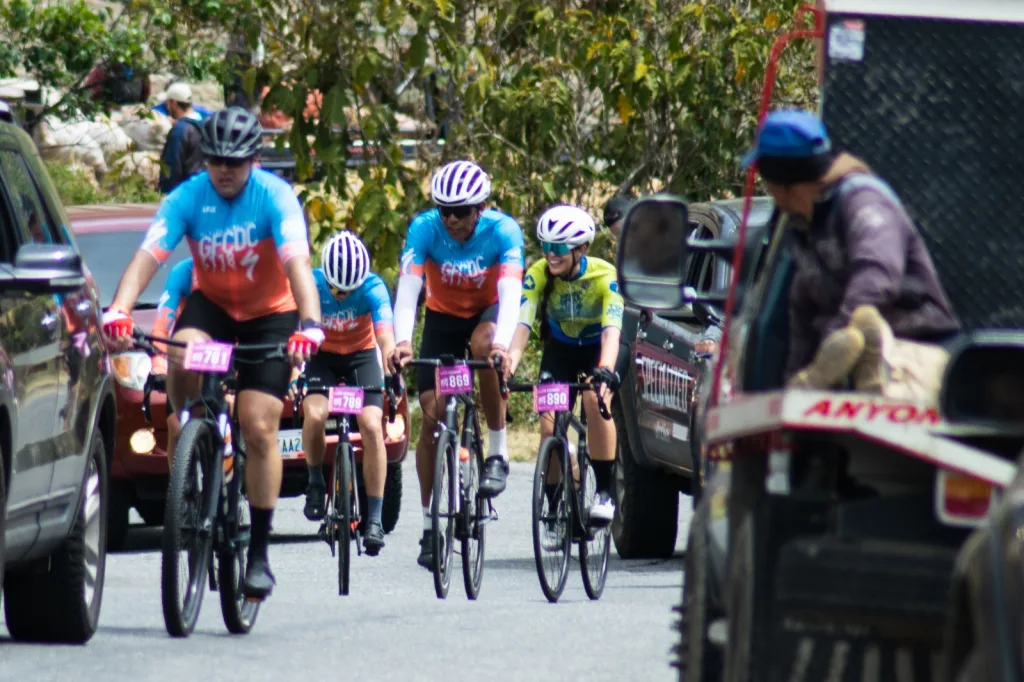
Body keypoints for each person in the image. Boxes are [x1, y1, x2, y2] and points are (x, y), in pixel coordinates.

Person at [101, 107, 325, 600]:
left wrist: (310, 324)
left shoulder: (275, 197)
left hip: (272, 315)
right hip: (216, 308)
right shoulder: (188, 196)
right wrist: (118, 308)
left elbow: (298, 265)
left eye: (236, 162)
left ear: (254, 160)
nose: (225, 170)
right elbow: (148, 255)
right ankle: (194, 432)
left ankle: (260, 553)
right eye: (216, 160)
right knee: (180, 349)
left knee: (259, 424)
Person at [741, 109, 959, 392]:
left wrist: (839, 336)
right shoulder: (804, 226)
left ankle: (866, 362)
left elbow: (877, 275)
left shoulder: (864, 200)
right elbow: (801, 310)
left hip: (914, 347)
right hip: (842, 368)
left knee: (865, 323)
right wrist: (794, 383)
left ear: (782, 183)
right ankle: (843, 369)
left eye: (767, 179)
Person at [386, 159, 525, 570]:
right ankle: (430, 526)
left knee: (486, 349)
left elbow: (511, 290)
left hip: (488, 312)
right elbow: (408, 289)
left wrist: (502, 345)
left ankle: (497, 452)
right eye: (444, 209)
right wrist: (402, 342)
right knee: (431, 422)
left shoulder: (503, 231)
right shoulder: (425, 228)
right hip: (443, 319)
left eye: (460, 211)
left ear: (480, 207)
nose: (450, 218)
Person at [507, 205, 622, 524]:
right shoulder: (538, 274)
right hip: (561, 350)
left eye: (558, 248)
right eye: (546, 247)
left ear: (581, 248)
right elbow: (523, 325)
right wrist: (510, 365)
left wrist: (606, 370)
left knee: (593, 398)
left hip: (599, 350)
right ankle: (555, 507)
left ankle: (604, 492)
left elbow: (613, 331)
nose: (550, 255)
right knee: (549, 427)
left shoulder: (604, 275)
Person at [299, 231, 395, 556]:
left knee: (370, 426)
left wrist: (392, 364)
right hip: (321, 357)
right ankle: (314, 481)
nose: (341, 295)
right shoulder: (310, 283)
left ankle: (376, 519)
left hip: (361, 356)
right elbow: (291, 325)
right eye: (336, 289)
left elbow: (385, 336)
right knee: (314, 414)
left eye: (348, 290)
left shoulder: (373, 288)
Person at [158, 83, 206, 194]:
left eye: (167, 103)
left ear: (173, 103)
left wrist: (166, 192)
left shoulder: (179, 130)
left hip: (184, 192)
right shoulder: (205, 124)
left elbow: (172, 166)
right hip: (201, 189)